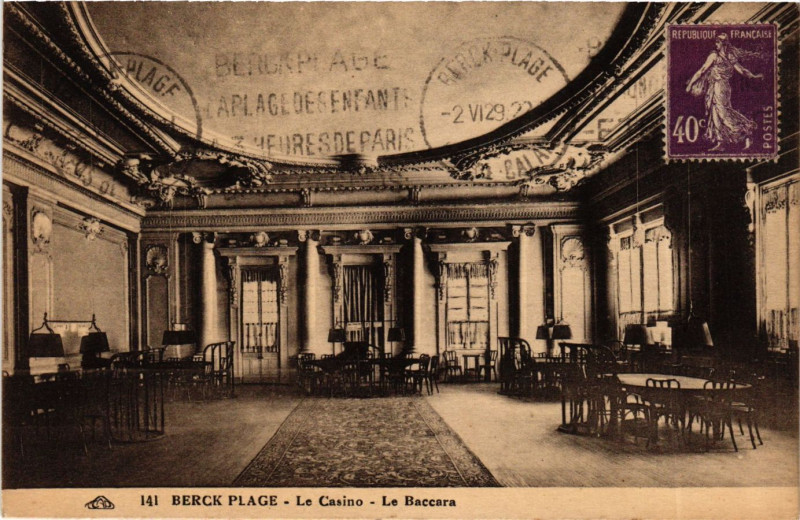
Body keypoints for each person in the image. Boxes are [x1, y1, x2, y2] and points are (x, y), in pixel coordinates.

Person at [685, 33, 764, 151]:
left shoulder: (718, 56)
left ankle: (746, 132)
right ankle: (721, 142)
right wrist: (753, 76)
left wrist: (691, 84)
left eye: (718, 42)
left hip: (720, 86)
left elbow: (702, 70)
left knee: (722, 112)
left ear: (723, 43)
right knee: (715, 112)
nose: (716, 44)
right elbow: (741, 70)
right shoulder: (727, 55)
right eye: (716, 42)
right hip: (718, 86)